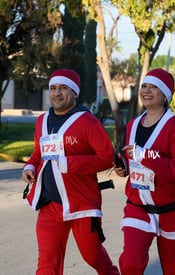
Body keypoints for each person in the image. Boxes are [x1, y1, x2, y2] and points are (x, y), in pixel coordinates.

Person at [21, 69, 120, 275]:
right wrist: (30, 166)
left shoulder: (87, 122)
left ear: (74, 93)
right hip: (49, 204)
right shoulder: (42, 121)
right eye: (53, 88)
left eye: (63, 88)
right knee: (47, 263)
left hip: (81, 204)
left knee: (92, 256)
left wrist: (70, 163)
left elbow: (106, 157)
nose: (57, 93)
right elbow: (39, 152)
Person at [114, 68, 175, 275]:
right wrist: (124, 167)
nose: (147, 90)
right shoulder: (133, 125)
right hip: (139, 206)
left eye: (154, 87)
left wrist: (145, 155)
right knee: (131, 263)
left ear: (165, 96)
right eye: (144, 86)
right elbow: (133, 157)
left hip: (174, 209)